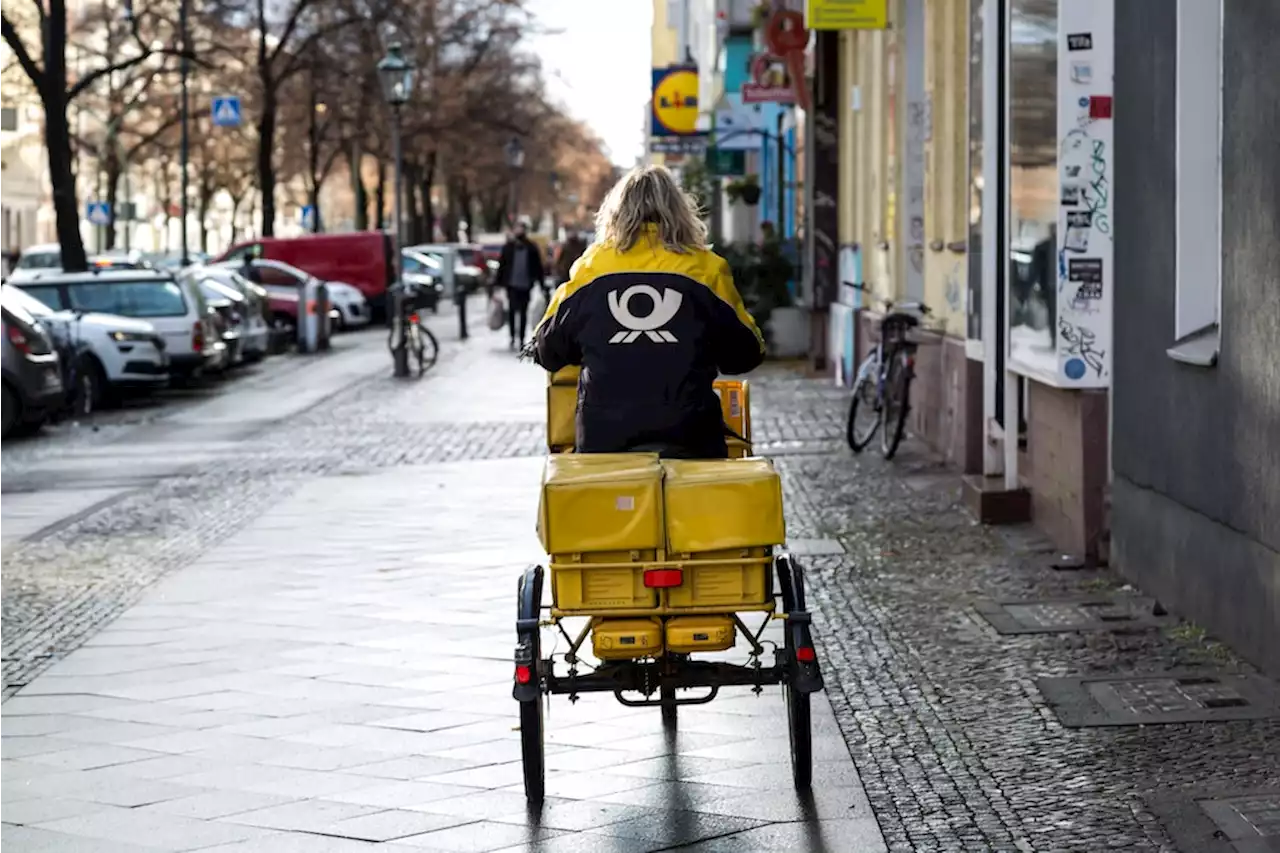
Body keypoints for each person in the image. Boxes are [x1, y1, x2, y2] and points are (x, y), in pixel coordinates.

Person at [531, 164, 765, 459]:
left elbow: (547, 351)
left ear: (614, 214)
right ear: (680, 211)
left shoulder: (591, 268)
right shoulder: (705, 268)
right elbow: (746, 353)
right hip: (689, 437)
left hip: (604, 440)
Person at [497, 223, 546, 350]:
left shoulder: (531, 248)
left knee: (523, 311)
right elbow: (502, 266)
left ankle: (521, 337)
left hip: (525, 285)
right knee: (512, 311)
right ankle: (512, 336)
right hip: (511, 285)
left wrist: (541, 284)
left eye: (521, 229)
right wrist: (497, 283)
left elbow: (538, 267)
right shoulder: (508, 248)